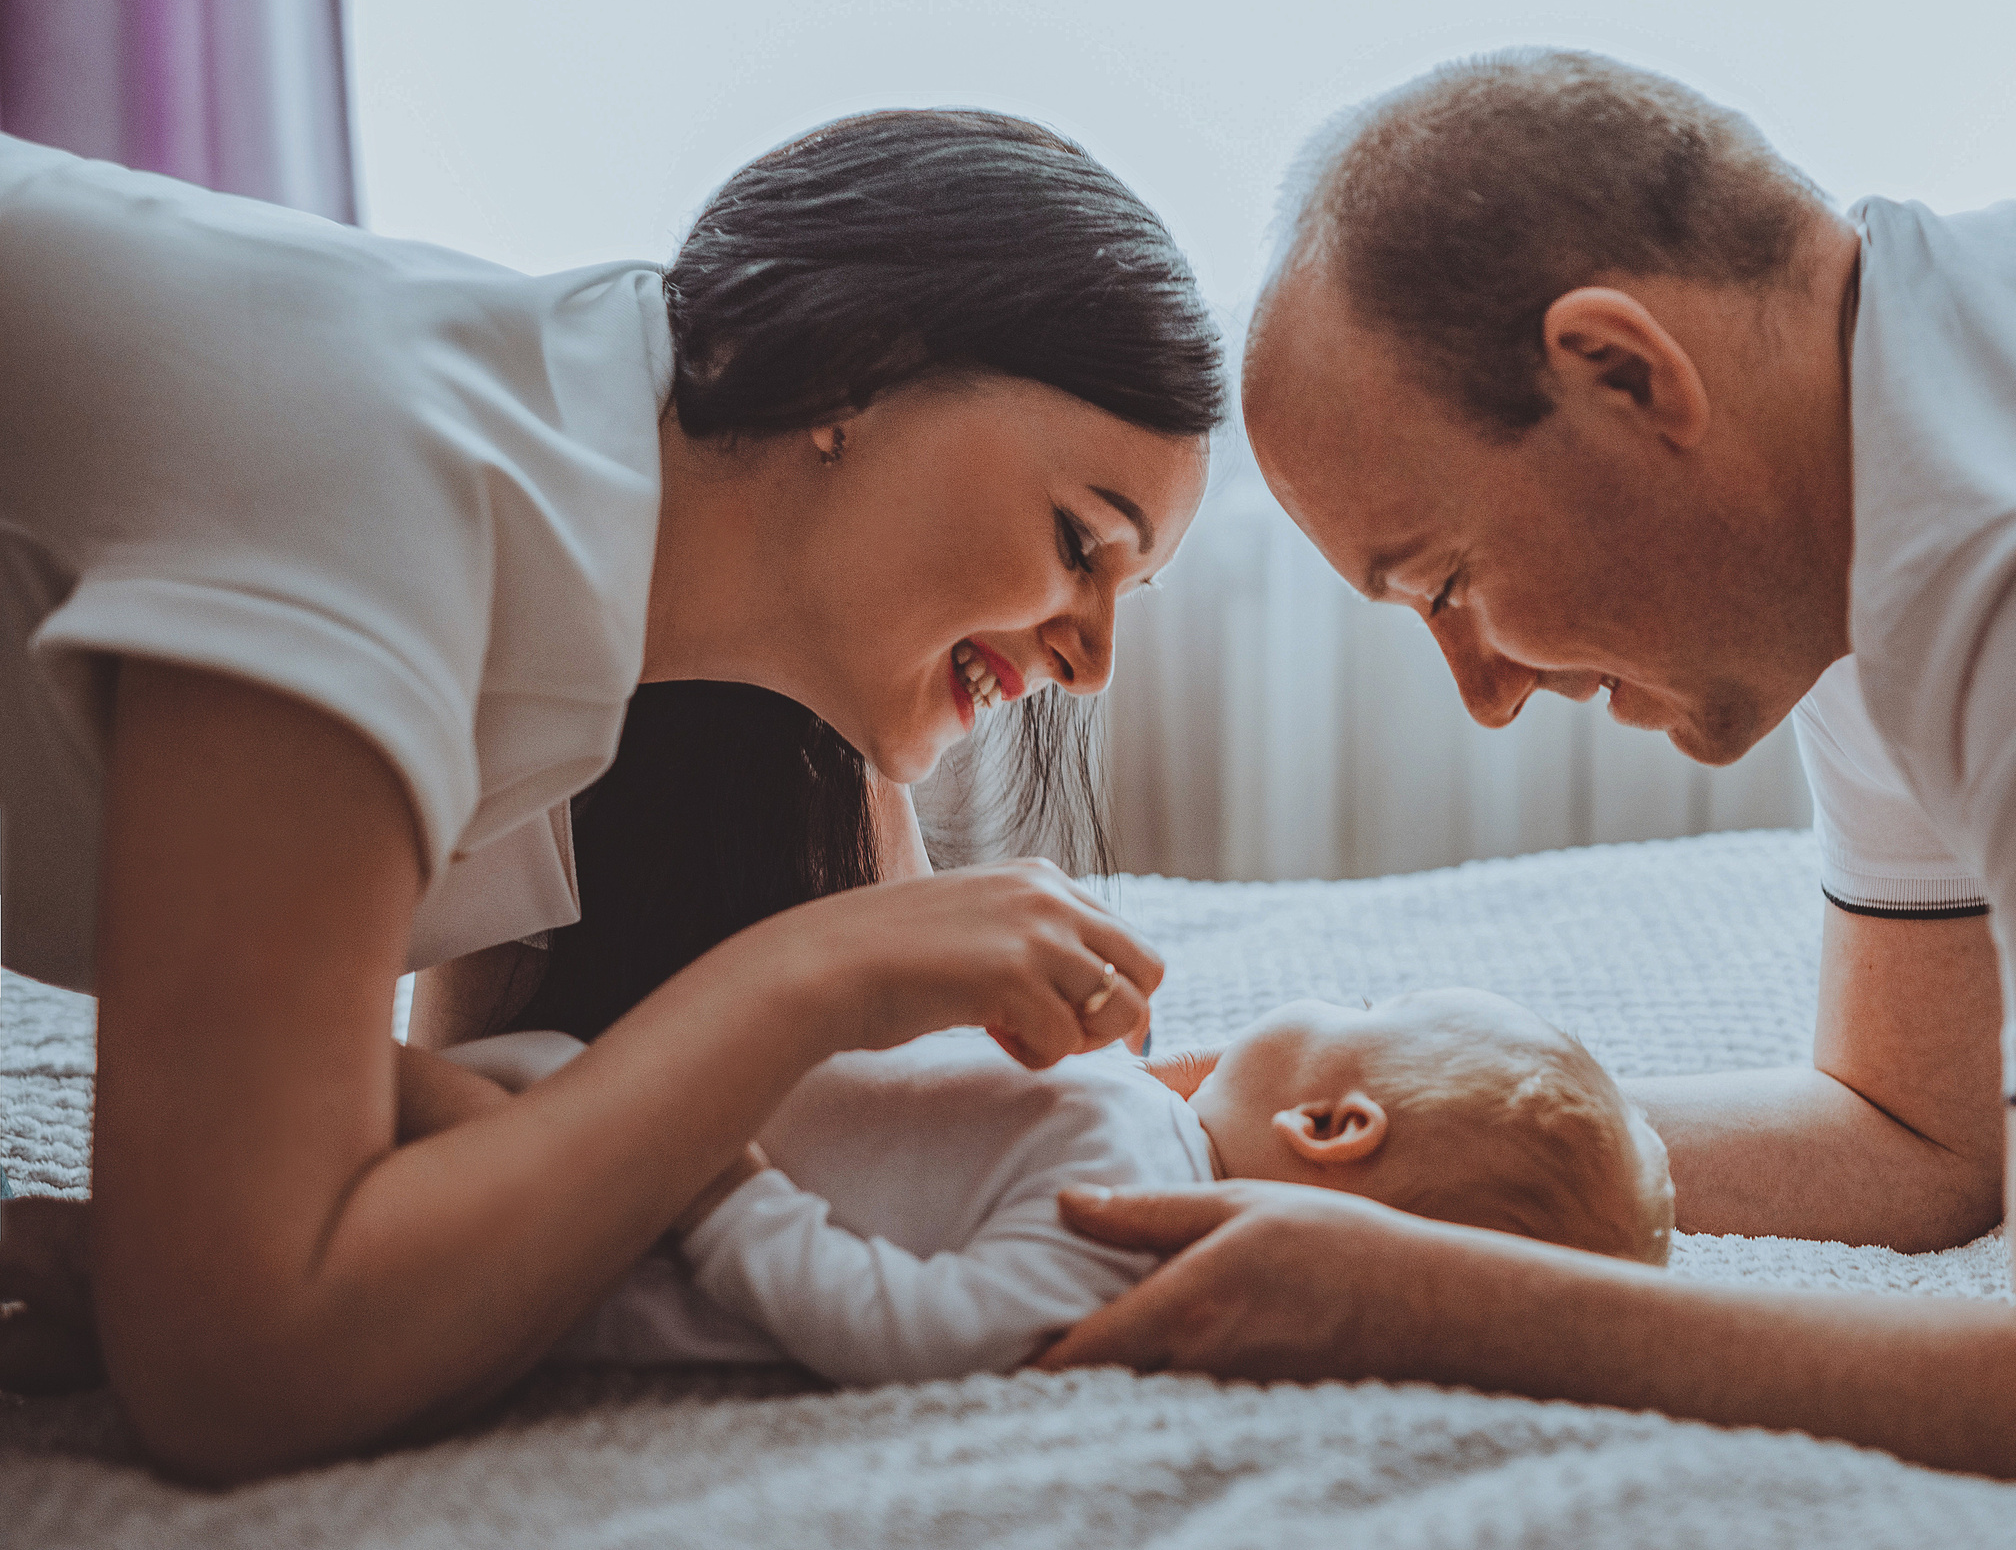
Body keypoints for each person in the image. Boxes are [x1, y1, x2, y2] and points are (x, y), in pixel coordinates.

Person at [1041, 49, 2016, 1505]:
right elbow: (1920, 1135)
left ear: (1624, 373)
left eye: (1445, 580)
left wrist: (1430, 1302)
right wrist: (1376, 1130)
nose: (1487, 694)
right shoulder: (1879, 485)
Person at [0, 108, 1222, 1480]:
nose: (1095, 660)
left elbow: (467, 1140)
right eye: (1081, 543)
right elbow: (229, 1372)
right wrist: (800, 980)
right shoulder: (397, 494)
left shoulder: (608, 582)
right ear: (856, 378)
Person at [424, 988, 1670, 1387]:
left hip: (601, 1224)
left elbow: (908, 1330)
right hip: (606, 1125)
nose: (1325, 994)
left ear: (1331, 1125)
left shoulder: (1131, 1224)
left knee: (424, 1110)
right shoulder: (1143, 1133)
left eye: (1360, 1007)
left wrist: (716, 1187)